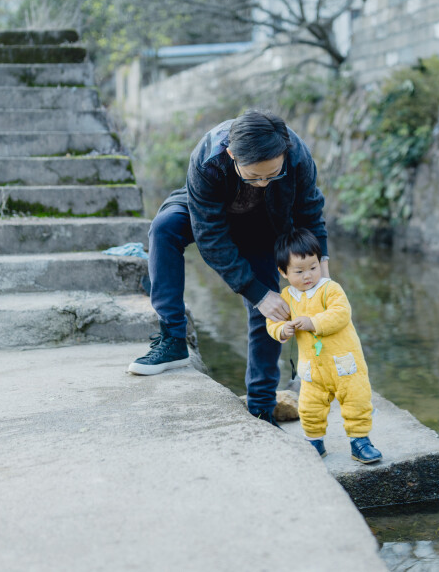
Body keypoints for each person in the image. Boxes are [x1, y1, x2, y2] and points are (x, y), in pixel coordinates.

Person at [128, 110, 329, 426]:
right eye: (253, 176)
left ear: (284, 154)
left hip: (265, 222)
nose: (263, 183)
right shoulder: (207, 159)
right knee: (164, 228)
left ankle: (262, 407)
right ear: (232, 155)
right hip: (208, 212)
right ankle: (172, 339)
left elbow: (310, 213)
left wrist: (322, 275)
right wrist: (256, 292)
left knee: (269, 308)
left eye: (272, 175)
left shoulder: (297, 155)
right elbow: (210, 236)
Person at [265, 228, 382, 464]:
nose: (308, 275)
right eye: (299, 271)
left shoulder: (329, 289)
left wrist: (313, 322)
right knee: (309, 407)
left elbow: (341, 314)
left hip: (344, 362)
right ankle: (314, 441)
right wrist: (281, 330)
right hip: (313, 368)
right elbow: (272, 322)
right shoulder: (287, 297)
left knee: (356, 401)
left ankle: (360, 441)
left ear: (320, 263)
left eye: (313, 267)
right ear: (283, 272)